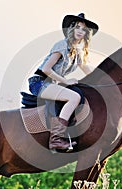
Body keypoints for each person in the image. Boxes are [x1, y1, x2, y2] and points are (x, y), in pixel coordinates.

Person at [27, 13, 99, 152]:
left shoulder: (78, 51)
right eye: (77, 27)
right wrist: (65, 81)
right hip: (40, 82)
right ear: (72, 28)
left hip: (53, 84)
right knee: (74, 97)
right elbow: (46, 69)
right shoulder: (62, 45)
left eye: (83, 29)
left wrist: (105, 78)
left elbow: (85, 68)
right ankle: (56, 139)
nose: (80, 31)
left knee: (77, 93)